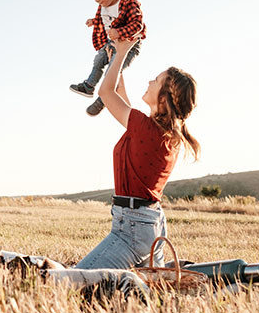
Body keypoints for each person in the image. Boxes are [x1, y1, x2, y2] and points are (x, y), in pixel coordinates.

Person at [74, 37, 200, 269]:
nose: (150, 81)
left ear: (163, 98)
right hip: (146, 224)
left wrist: (123, 52)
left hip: (132, 230)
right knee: (144, 286)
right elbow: (118, 93)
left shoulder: (145, 127)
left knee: (72, 282)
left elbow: (105, 91)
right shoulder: (160, 133)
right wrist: (116, 62)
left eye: (157, 80)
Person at [69, 0, 146, 117]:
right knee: (98, 60)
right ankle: (89, 86)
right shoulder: (104, 4)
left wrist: (119, 32)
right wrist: (94, 21)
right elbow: (104, 18)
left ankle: (103, 99)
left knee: (113, 71)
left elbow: (138, 24)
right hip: (111, 43)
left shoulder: (129, 3)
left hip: (128, 44)